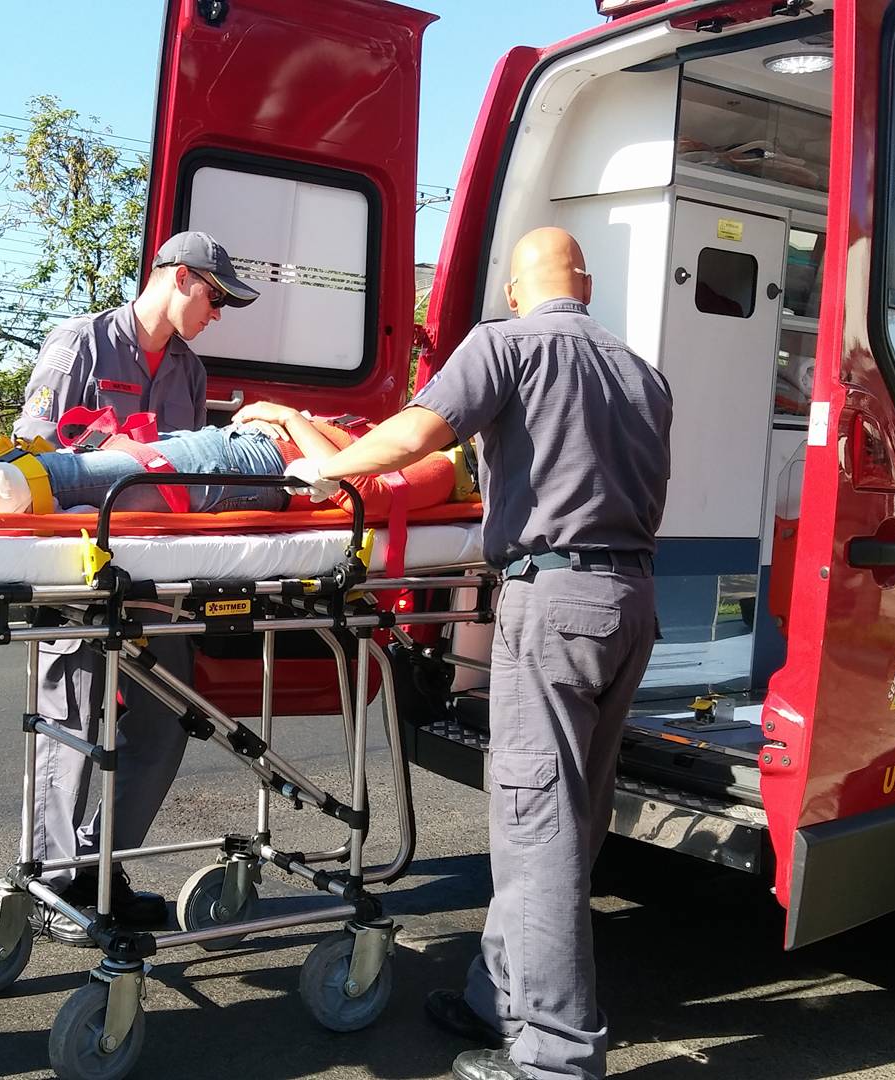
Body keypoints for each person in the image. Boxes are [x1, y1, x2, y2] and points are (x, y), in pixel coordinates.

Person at [291, 227, 672, 1080]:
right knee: (566, 817)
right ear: (588, 284)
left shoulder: (508, 344)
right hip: (632, 602)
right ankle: (497, 994)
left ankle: (555, 1056)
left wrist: (325, 474)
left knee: (534, 823)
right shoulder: (642, 374)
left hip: (555, 603)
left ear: (513, 291)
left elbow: (415, 435)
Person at [10, 230, 258, 944]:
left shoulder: (190, 372)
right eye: (214, 297)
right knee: (69, 722)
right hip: (83, 575)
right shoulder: (82, 342)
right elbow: (30, 445)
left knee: (161, 726)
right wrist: (99, 449)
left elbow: (188, 479)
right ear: (179, 278)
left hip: (156, 582)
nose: (217, 314)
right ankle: (56, 884)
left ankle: (100, 865)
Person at [0, 401, 458, 520]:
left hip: (257, 465)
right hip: (244, 460)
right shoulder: (438, 451)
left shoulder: (444, 467)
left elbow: (355, 486)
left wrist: (288, 415)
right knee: (56, 473)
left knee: (67, 481)